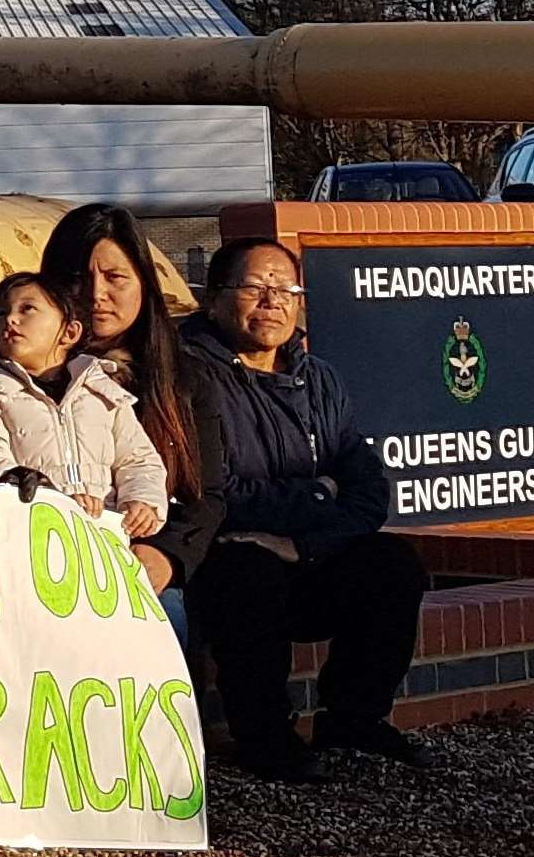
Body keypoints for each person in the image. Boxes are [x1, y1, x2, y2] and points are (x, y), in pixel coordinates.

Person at [181, 236, 433, 782]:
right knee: (248, 570)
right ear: (214, 298)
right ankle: (265, 737)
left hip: (305, 550)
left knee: (392, 564)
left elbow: (367, 487)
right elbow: (217, 491)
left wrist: (304, 541)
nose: (272, 300)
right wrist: (320, 493)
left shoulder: (319, 378)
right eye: (254, 286)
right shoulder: (190, 376)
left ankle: (355, 721)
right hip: (226, 555)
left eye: (286, 288)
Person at [41, 204, 228, 646]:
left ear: (143, 281)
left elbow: (209, 492)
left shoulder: (183, 376)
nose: (96, 293)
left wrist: (167, 556)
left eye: (115, 277)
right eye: (77, 279)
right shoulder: (13, 375)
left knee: (162, 620)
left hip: (145, 560)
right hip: (43, 562)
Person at [0, 272, 169, 535]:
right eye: (1, 313)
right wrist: (55, 501)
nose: (11, 319)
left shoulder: (101, 389)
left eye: (27, 309)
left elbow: (138, 459)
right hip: (32, 535)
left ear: (69, 332)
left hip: (106, 534)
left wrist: (141, 502)